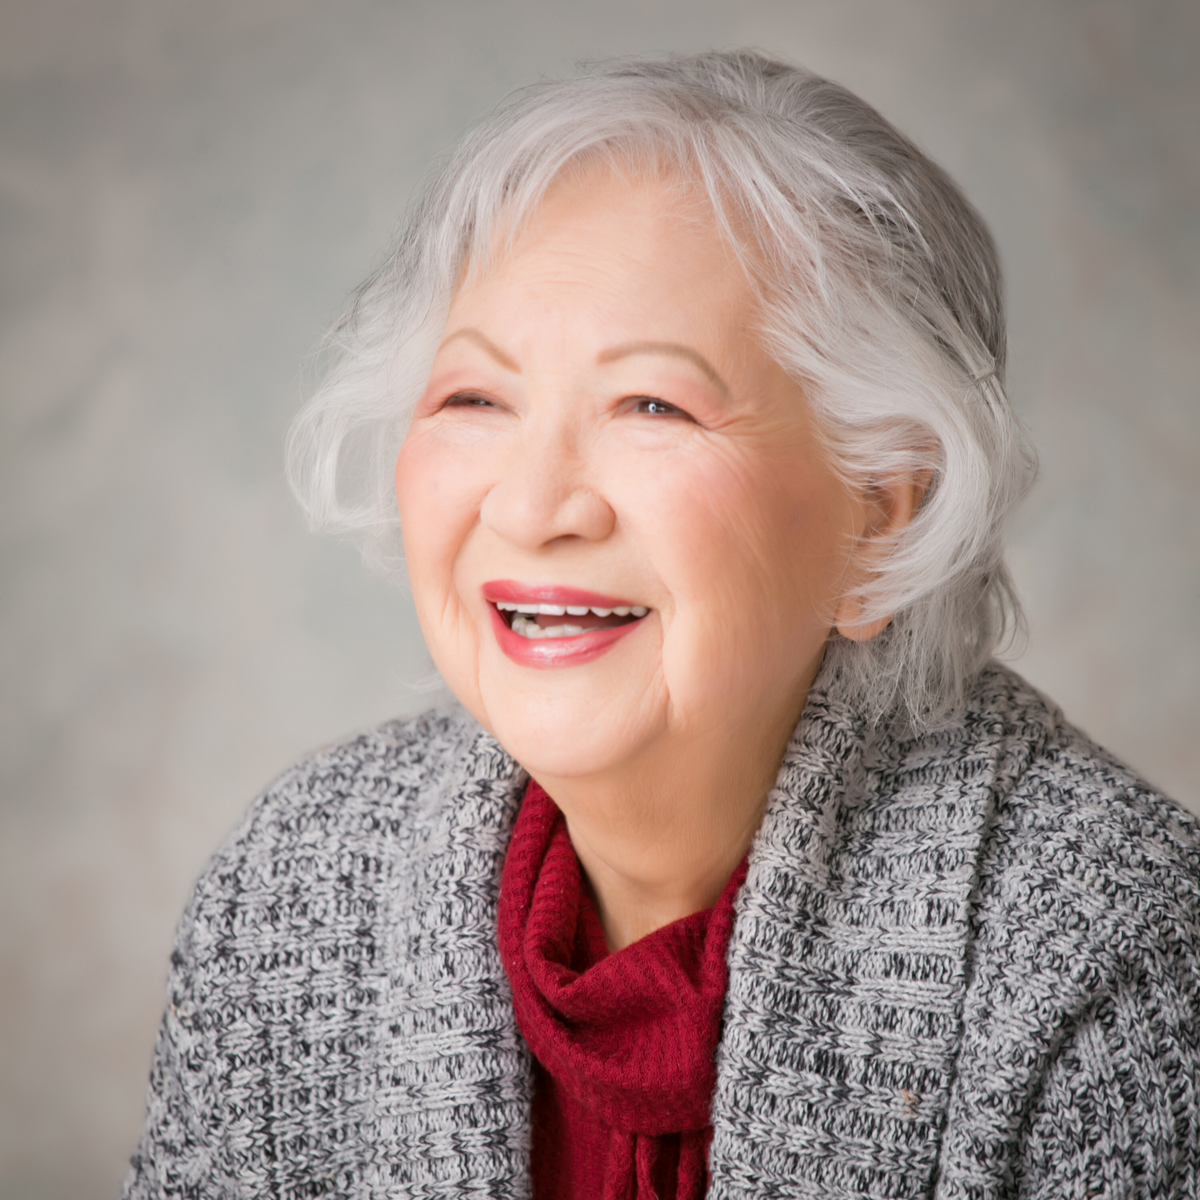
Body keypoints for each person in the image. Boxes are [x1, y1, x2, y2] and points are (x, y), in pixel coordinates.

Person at [123, 51, 1200, 1199]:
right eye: (475, 398)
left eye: (652, 404)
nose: (534, 507)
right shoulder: (293, 883)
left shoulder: (1114, 951)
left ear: (881, 521)